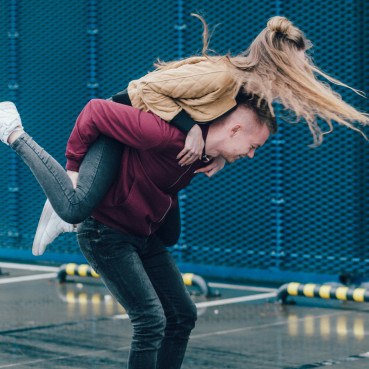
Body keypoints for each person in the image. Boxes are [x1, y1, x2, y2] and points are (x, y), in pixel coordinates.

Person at [30, 14, 369, 255]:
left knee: (167, 235)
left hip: (148, 136)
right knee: (76, 206)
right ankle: (54, 191)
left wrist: (220, 153)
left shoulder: (248, 96)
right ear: (278, 63)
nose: (303, 71)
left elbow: (218, 127)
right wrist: (187, 127)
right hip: (120, 121)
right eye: (299, 64)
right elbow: (143, 89)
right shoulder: (223, 77)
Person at [0, 93, 275, 369]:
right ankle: (14, 133)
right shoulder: (166, 135)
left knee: (182, 315)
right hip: (105, 232)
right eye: (253, 146)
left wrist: (220, 156)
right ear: (235, 130)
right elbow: (96, 109)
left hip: (143, 233)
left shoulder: (204, 152)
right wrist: (72, 172)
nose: (251, 155)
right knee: (150, 320)